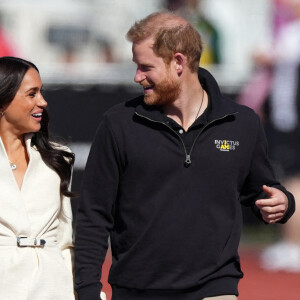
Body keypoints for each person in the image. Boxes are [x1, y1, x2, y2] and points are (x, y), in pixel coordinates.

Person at [74, 12, 295, 300]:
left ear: (179, 62)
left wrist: (282, 203)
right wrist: (87, 290)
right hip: (136, 290)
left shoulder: (242, 122)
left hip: (215, 288)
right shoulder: (118, 124)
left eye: (145, 67)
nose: (137, 76)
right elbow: (93, 214)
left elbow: (262, 191)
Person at [0, 56, 76, 299]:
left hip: (53, 287)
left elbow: (65, 241)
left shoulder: (58, 158)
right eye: (31, 94)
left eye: (41, 92)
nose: (42, 102)